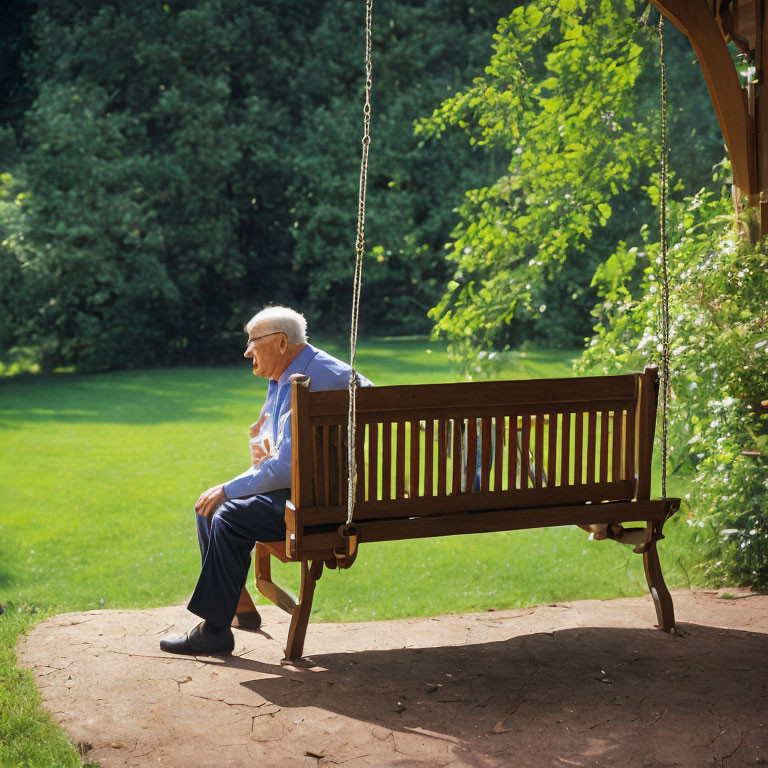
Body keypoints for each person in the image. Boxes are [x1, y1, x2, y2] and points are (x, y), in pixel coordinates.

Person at [160, 306, 373, 655]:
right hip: (332, 492)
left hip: (321, 506)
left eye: (252, 341)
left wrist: (228, 488)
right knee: (210, 508)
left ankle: (214, 631)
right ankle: (239, 608)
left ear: (281, 342)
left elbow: (285, 469)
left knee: (223, 511)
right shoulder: (320, 368)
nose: (246, 351)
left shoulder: (298, 384)